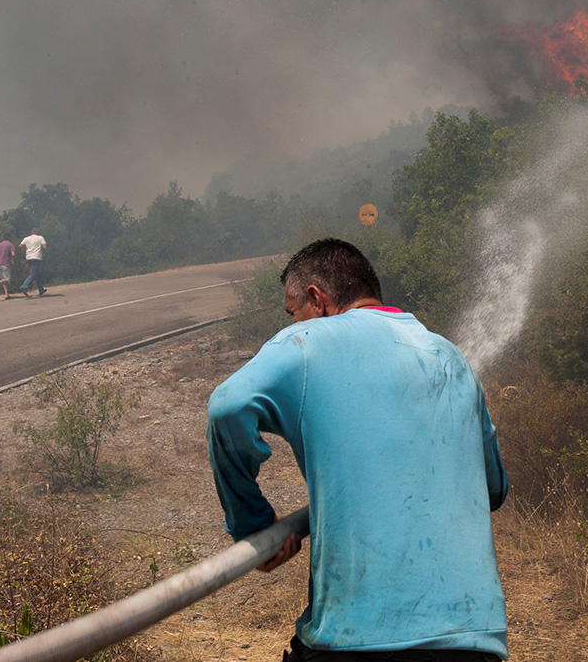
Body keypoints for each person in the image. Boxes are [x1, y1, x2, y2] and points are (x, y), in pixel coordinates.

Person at [207, 238, 509, 662]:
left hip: (355, 639)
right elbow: (493, 490)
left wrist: (253, 525)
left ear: (318, 300)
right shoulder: (452, 356)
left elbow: (228, 406)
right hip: (474, 640)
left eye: (293, 312)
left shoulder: (309, 342)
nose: (294, 322)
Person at [18, 227, 48, 297]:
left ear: (31, 232)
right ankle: (24, 286)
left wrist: (23, 254)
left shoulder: (26, 238)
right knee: (33, 274)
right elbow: (45, 247)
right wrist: (41, 249)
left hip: (28, 257)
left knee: (36, 273)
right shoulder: (40, 238)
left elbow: (20, 246)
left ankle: (41, 290)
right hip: (36, 257)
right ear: (37, 232)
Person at [0, 234, 15, 299]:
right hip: (5, 263)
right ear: (9, 238)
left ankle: (6, 294)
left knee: (3, 280)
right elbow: (13, 254)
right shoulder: (10, 245)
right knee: (7, 280)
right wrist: (15, 261)